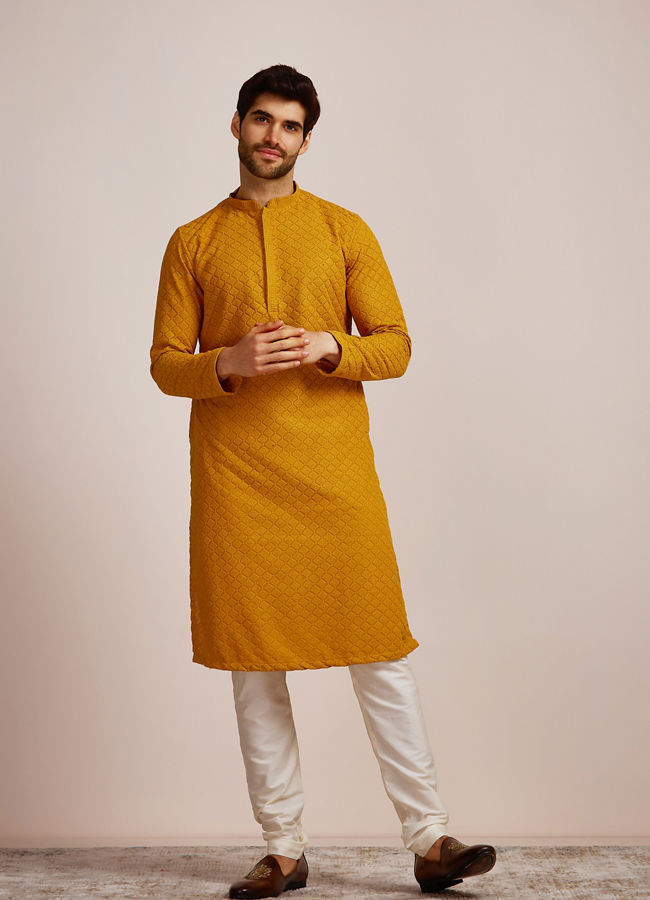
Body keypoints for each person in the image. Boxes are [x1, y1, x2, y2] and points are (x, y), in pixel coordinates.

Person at [149, 63, 496, 897]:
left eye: (290, 125)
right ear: (236, 125)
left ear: (307, 139)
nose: (273, 136)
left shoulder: (344, 230)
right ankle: (282, 849)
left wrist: (332, 346)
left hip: (334, 473)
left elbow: (396, 344)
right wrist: (225, 362)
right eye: (261, 119)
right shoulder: (193, 241)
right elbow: (163, 363)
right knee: (254, 666)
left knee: (380, 654)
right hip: (237, 476)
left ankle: (431, 839)